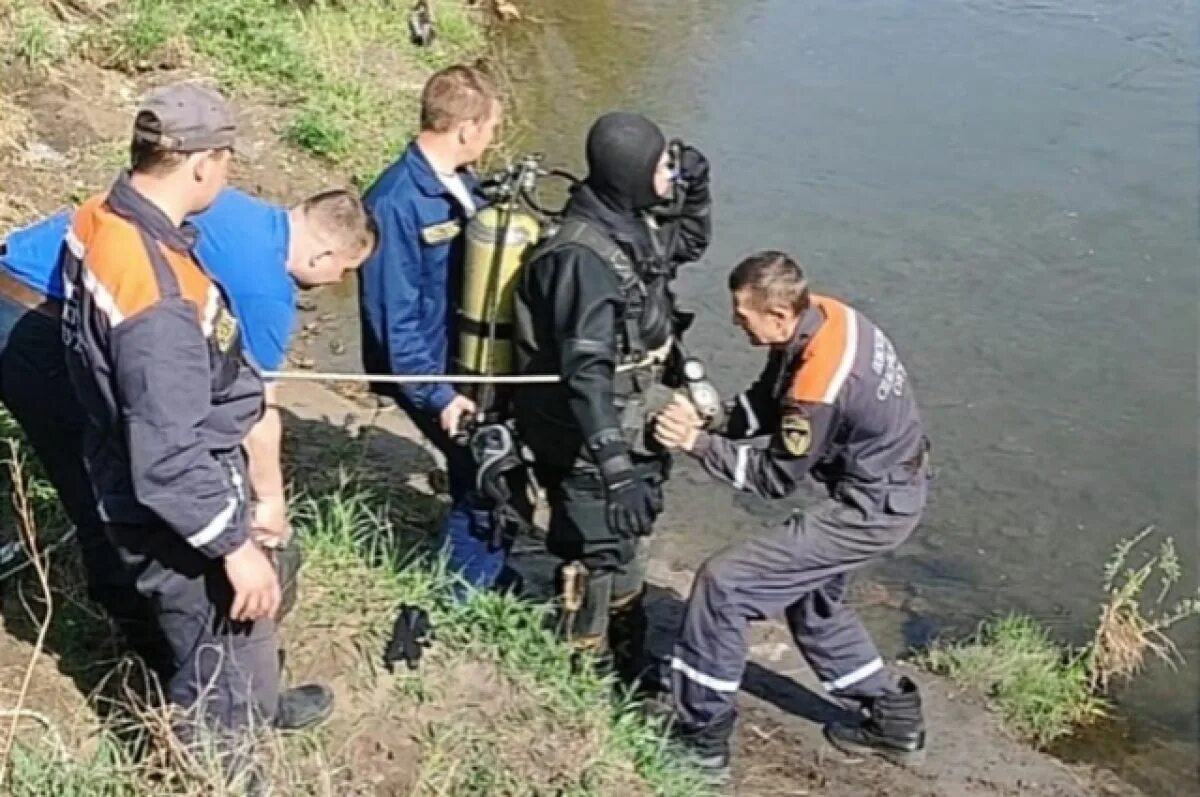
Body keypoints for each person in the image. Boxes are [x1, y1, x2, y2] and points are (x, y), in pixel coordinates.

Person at [58, 82, 332, 763]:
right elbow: (170, 458)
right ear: (201, 163)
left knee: (242, 643)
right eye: (228, 157)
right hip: (181, 509)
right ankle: (223, 767)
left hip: (141, 470)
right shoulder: (157, 302)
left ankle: (262, 702)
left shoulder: (101, 215)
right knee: (219, 663)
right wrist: (235, 547)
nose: (230, 171)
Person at [1, 188, 375, 637]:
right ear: (323, 255)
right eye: (344, 271)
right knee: (107, 486)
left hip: (20, 273)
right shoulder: (268, 290)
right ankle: (138, 644)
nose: (338, 282)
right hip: (38, 324)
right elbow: (256, 411)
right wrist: (271, 501)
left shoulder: (225, 201)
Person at [653, 250, 931, 779]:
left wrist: (695, 443)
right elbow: (770, 399)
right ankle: (894, 720)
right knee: (812, 602)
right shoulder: (825, 316)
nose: (737, 325)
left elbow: (773, 479)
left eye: (742, 316)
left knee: (724, 585)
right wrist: (717, 417)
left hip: (872, 506)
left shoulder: (822, 380)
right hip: (893, 484)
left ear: (778, 315)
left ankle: (702, 741)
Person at [512, 111, 712, 679]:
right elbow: (585, 375)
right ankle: (582, 676)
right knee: (597, 555)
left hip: (630, 423)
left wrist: (696, 189)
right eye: (662, 168)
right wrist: (615, 469)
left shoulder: (631, 221)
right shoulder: (582, 259)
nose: (668, 177)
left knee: (632, 537)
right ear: (630, 174)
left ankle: (629, 661)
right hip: (584, 440)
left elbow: (687, 241)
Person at [358, 64, 505, 589]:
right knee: (483, 476)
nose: (492, 141)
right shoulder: (396, 203)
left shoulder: (460, 183)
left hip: (461, 357)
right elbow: (391, 318)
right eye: (490, 129)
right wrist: (438, 395)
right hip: (426, 368)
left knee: (491, 465)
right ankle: (460, 594)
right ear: (466, 129)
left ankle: (481, 568)